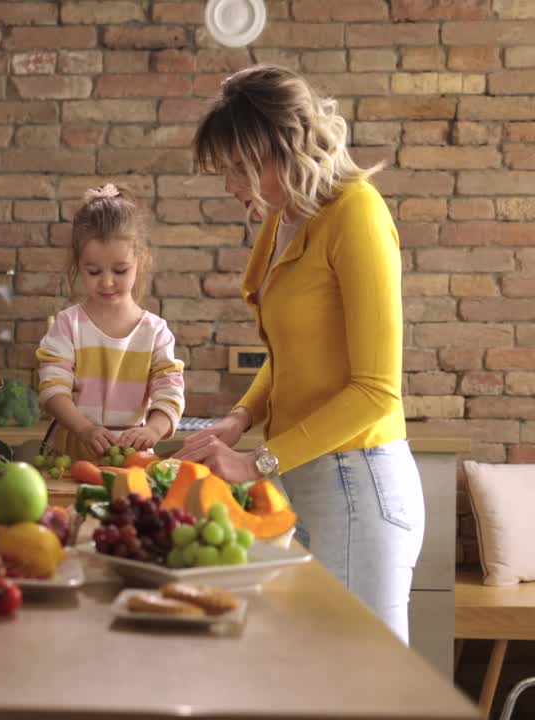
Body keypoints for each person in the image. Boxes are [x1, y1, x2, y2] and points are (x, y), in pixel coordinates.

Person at [173, 64, 424, 643]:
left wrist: (258, 462)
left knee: (359, 688)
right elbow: (287, 357)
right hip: (305, 476)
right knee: (307, 679)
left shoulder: (356, 214)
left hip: (359, 482)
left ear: (284, 149)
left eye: (242, 168)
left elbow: (376, 391)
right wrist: (238, 418)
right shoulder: (283, 219)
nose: (234, 185)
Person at [35, 183, 185, 462]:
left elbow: (170, 391)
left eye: (120, 270)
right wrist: (85, 429)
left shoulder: (156, 332)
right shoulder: (68, 325)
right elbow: (52, 389)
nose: (106, 281)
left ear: (142, 259)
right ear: (78, 265)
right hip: (72, 455)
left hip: (134, 458)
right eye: (93, 271)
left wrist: (153, 430)